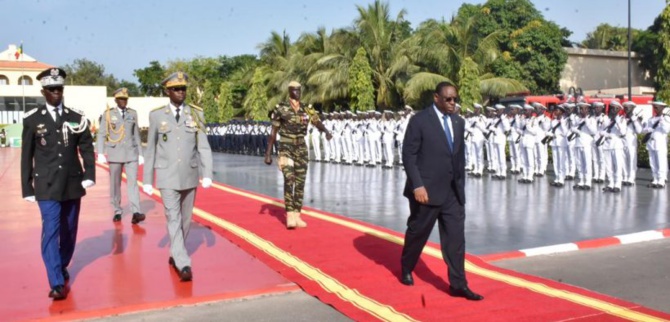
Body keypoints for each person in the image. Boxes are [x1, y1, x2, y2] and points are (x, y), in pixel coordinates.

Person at [399, 82, 483, 301]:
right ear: (436, 98)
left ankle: (458, 284)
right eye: (448, 99)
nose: (453, 103)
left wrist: (461, 188)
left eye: (455, 98)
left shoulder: (458, 122)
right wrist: (417, 185)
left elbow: (458, 157)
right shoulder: (419, 121)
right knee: (418, 233)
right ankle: (407, 266)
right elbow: (409, 155)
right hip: (426, 191)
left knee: (455, 240)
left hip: (452, 193)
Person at [21, 67, 96, 300]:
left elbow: (86, 147)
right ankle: (55, 282)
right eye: (52, 89)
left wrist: (89, 174)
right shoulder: (33, 119)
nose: (56, 93)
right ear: (43, 91)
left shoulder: (76, 117)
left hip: (72, 183)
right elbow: (27, 155)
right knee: (51, 231)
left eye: (59, 89)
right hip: (47, 186)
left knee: (69, 230)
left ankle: (62, 263)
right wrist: (27, 187)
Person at [142, 72, 213, 281]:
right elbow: (151, 149)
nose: (181, 92)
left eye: (183, 89)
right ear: (168, 91)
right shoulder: (157, 116)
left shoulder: (196, 114)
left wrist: (207, 172)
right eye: (176, 89)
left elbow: (203, 146)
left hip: (190, 174)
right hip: (166, 175)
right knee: (173, 217)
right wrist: (147, 179)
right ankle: (183, 262)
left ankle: (175, 252)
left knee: (186, 220)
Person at [264, 81, 332, 229]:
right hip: (286, 147)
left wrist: (326, 131)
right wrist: (268, 153)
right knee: (289, 179)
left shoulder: (306, 108)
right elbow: (273, 133)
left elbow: (316, 121)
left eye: (299, 90)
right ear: (289, 91)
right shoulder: (280, 108)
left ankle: (297, 214)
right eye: (295, 90)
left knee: (300, 183)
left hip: (301, 148)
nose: (298, 93)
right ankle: (289, 215)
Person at [96, 88, 145, 223]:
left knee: (133, 183)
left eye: (125, 99)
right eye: (121, 99)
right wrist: (100, 152)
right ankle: (117, 210)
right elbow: (101, 134)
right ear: (116, 100)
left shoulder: (132, 113)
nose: (123, 101)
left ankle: (136, 211)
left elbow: (136, 134)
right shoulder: (108, 114)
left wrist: (140, 153)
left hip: (131, 152)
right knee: (115, 184)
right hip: (115, 152)